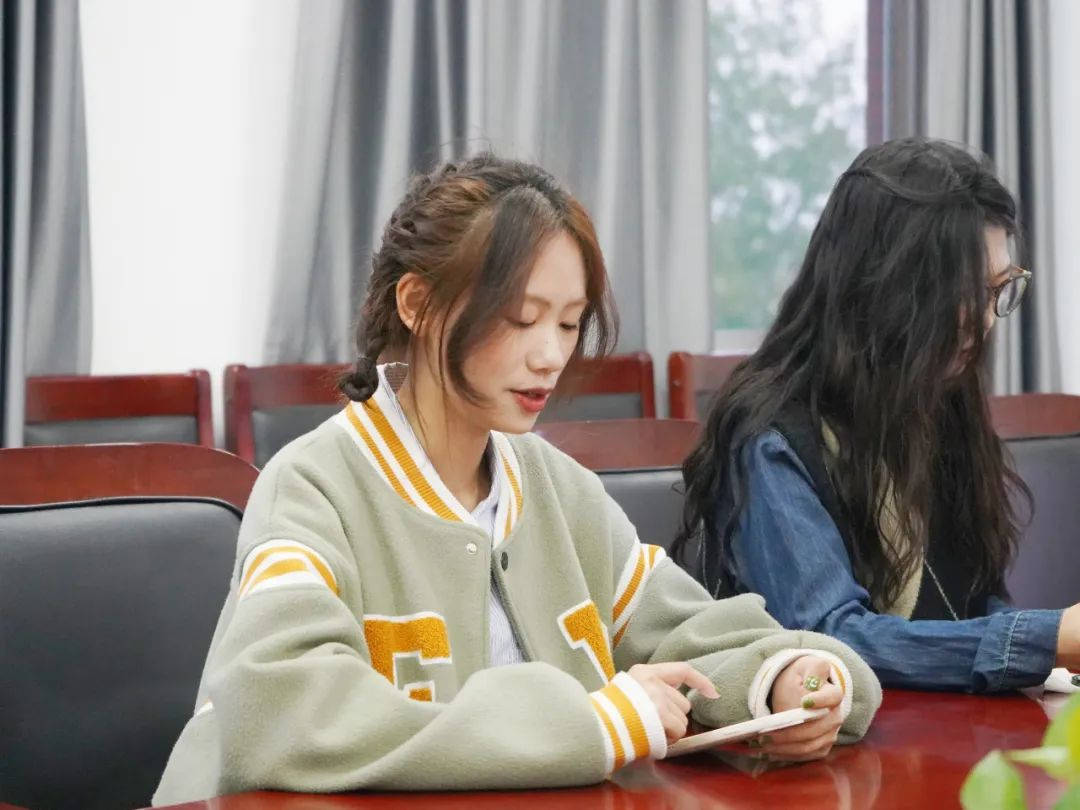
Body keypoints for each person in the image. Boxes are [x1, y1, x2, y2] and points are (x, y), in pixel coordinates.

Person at [154, 154, 879, 805]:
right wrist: (591, 724)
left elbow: (692, 633)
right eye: (521, 318)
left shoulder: (558, 489)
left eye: (567, 324)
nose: (549, 357)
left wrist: (786, 681)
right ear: (416, 304)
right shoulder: (313, 487)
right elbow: (280, 711)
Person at [676, 137, 1079, 693]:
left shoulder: (938, 399)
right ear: (889, 288)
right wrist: (1046, 637)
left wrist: (1044, 646)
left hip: (940, 728)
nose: (986, 321)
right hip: (819, 741)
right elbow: (830, 640)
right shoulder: (769, 436)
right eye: (963, 293)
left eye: (997, 290)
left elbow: (967, 603)